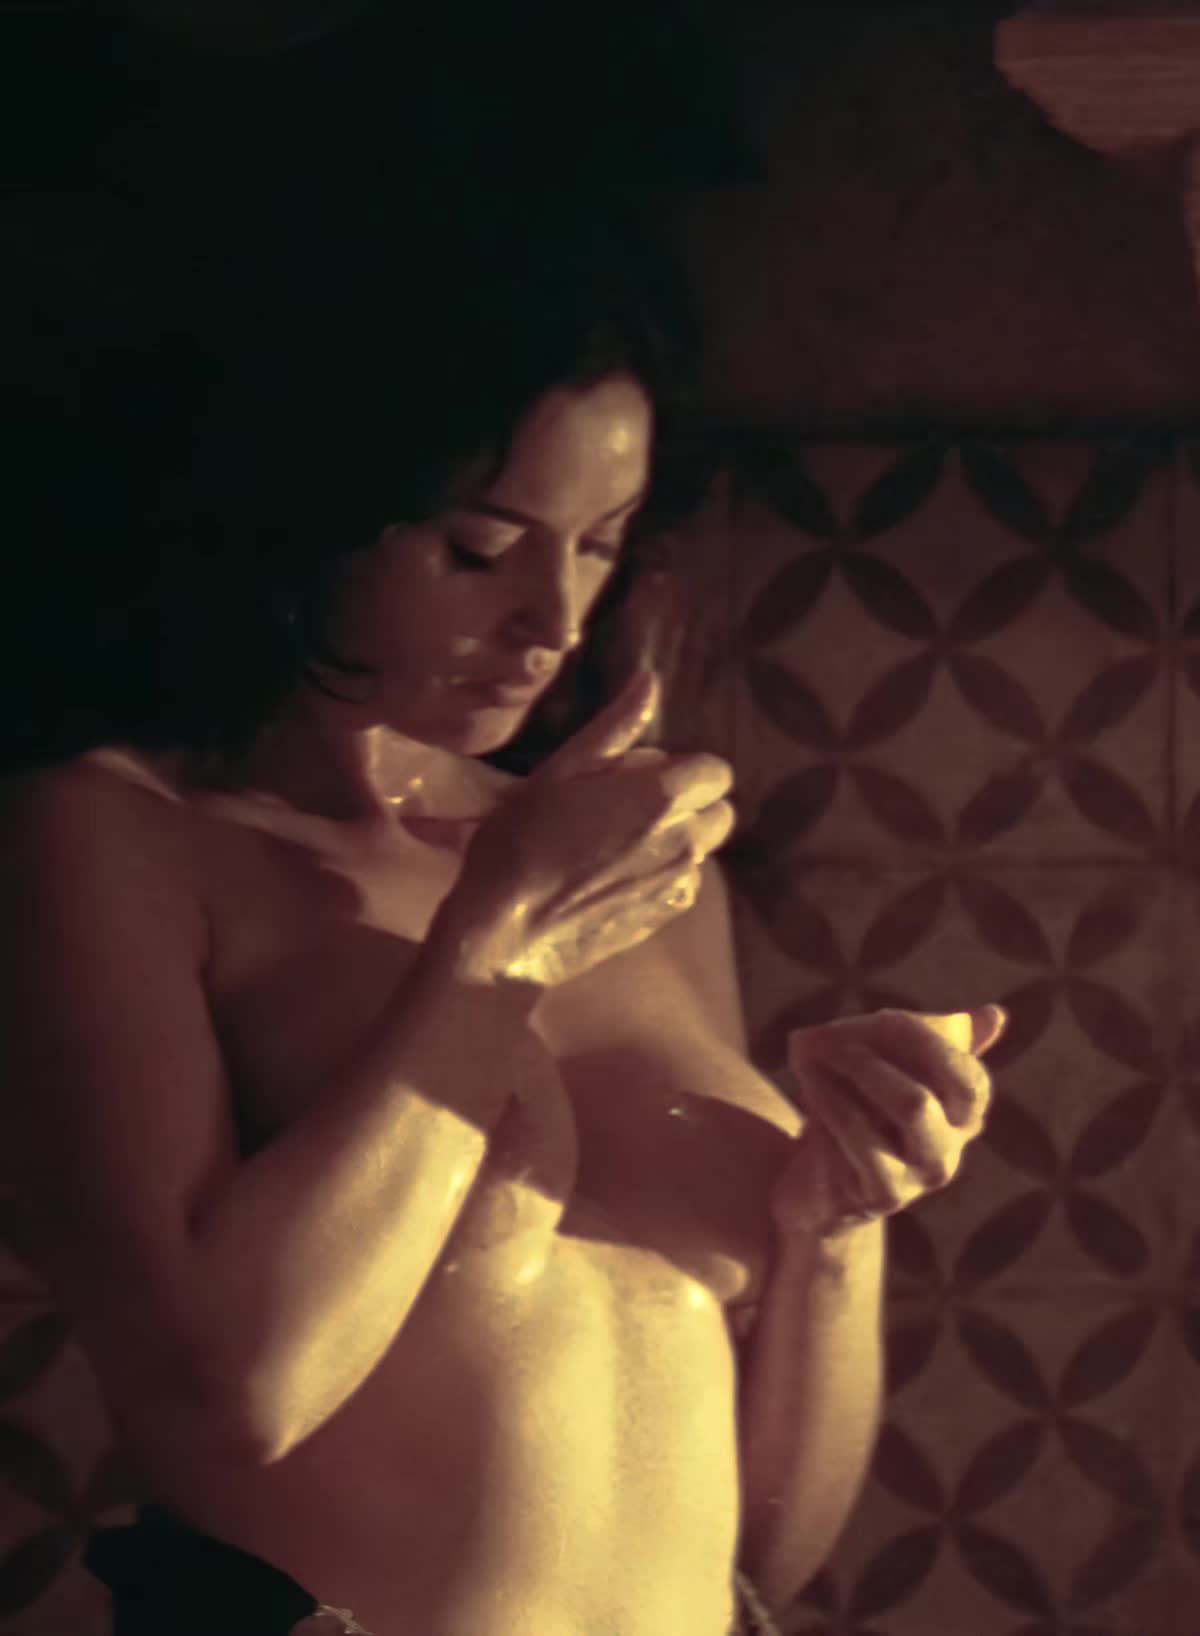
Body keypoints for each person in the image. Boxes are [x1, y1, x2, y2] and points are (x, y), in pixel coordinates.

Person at [1, 195, 1004, 1636]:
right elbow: (221, 1400)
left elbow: (764, 1551)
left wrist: (839, 1228)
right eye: (481, 549)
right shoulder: (111, 838)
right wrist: (501, 946)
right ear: (302, 515)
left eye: (599, 544)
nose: (553, 619)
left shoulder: (634, 873)